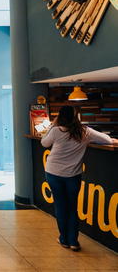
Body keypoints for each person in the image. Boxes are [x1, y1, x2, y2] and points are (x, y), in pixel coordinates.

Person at [41, 106, 117, 251]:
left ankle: (64, 239)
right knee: (72, 208)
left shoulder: (56, 130)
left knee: (61, 207)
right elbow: (107, 139)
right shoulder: (84, 131)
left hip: (53, 173)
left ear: (60, 117)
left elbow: (44, 143)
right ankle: (73, 241)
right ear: (76, 117)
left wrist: (53, 125)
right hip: (72, 176)